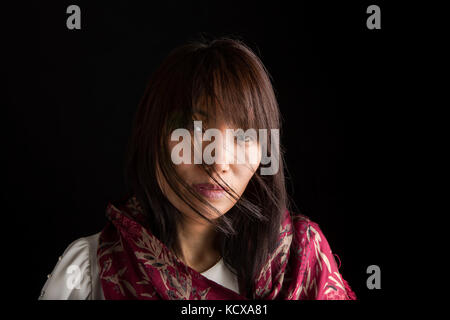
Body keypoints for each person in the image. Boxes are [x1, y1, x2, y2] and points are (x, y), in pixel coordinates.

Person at [38, 37, 356, 300]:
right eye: (193, 130)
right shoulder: (87, 273)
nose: (218, 161)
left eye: (244, 135)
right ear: (154, 139)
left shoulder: (301, 260)